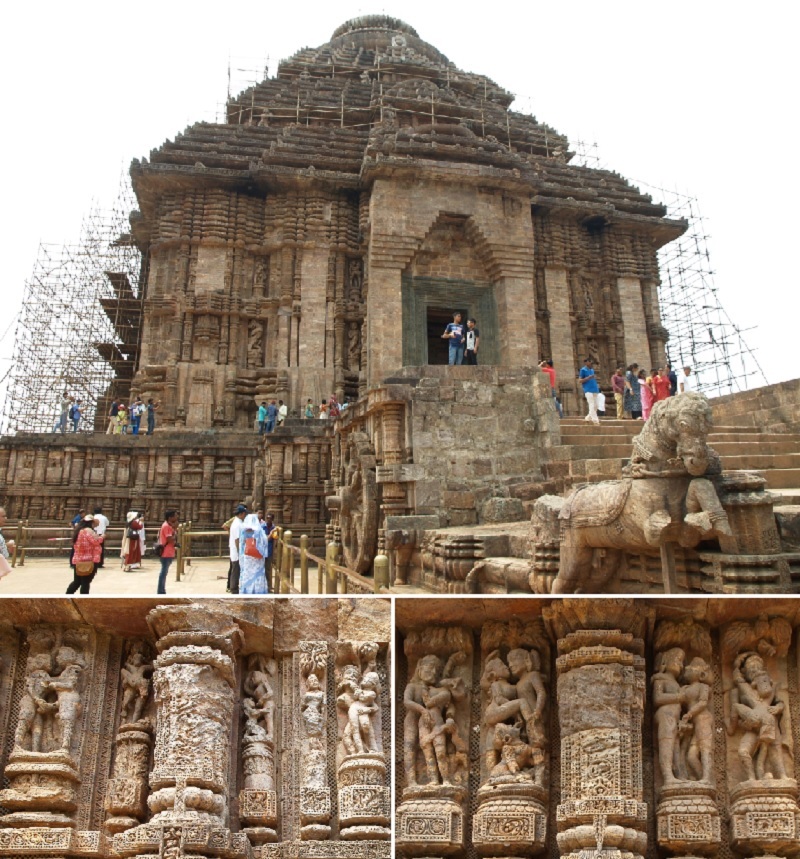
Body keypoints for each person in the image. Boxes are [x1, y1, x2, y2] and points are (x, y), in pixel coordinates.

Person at [66, 514, 103, 595]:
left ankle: (67, 594)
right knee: (85, 582)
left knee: (77, 581)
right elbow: (95, 542)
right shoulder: (88, 531)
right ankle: (84, 598)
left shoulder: (78, 531)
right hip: (88, 560)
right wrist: (102, 537)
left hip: (78, 560)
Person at [238, 513, 269, 594]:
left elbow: (241, 545)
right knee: (257, 574)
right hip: (257, 558)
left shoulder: (243, 531)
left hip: (247, 558)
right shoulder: (259, 531)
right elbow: (265, 542)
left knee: (248, 574)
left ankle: (247, 592)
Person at [227, 504, 248, 594]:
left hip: (236, 550)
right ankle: (234, 588)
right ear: (242, 514)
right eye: (244, 514)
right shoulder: (237, 524)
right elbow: (237, 540)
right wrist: (240, 552)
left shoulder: (238, 522)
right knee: (235, 569)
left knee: (235, 569)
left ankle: (234, 586)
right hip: (236, 551)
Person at [156, 510, 178, 595]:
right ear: (170, 517)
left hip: (169, 552)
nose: (177, 518)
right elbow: (170, 539)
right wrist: (175, 532)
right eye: (175, 516)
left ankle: (161, 590)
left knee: (164, 572)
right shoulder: (166, 526)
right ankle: (161, 591)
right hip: (166, 553)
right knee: (163, 572)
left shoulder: (168, 526)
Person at [577, 358, 600, 424]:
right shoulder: (583, 370)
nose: (590, 363)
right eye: (589, 362)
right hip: (588, 389)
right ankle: (595, 420)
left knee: (596, 405)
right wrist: (588, 377)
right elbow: (580, 380)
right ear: (586, 363)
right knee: (591, 404)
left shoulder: (592, 370)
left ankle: (588, 417)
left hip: (595, 389)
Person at [262, 511, 278, 591]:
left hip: (269, 551)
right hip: (261, 551)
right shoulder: (262, 527)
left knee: (268, 569)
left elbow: (275, 540)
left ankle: (268, 586)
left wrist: (275, 551)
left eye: (270, 518)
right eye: (267, 518)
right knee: (261, 569)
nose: (268, 520)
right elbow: (263, 539)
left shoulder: (274, 528)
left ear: (272, 519)